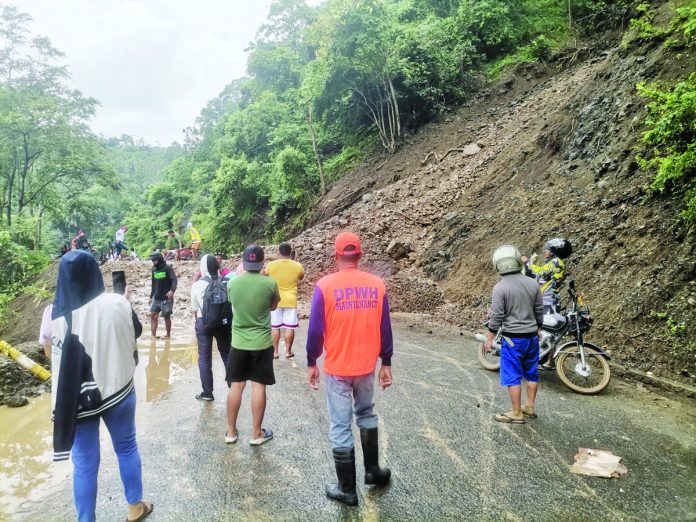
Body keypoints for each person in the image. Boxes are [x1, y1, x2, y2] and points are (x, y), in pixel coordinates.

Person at [50, 250, 152, 522]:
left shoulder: (53, 314)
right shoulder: (117, 302)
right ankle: (134, 507)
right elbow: (136, 332)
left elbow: (49, 351)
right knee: (127, 447)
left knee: (84, 463)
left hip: (76, 400)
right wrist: (123, 302)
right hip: (118, 389)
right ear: (95, 272)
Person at [306, 231, 393, 506]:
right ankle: (372, 472)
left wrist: (311, 361)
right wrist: (386, 362)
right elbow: (385, 328)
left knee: (341, 425)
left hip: (338, 369)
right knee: (367, 414)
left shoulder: (325, 286)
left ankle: (347, 489)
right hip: (366, 367)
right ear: (359, 256)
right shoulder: (377, 285)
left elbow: (316, 330)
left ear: (336, 255)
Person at [225, 245, 279, 445]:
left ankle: (231, 432)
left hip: (238, 342)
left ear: (244, 262)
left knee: (236, 385)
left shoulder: (233, 284)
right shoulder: (270, 284)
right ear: (262, 263)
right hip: (262, 343)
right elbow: (273, 306)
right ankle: (256, 433)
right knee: (259, 385)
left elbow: (233, 303)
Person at [484, 245, 544, 424]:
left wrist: (489, 338)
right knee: (532, 372)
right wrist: (538, 327)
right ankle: (529, 407)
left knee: (512, 375)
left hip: (513, 339)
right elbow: (539, 309)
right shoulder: (532, 283)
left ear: (498, 265)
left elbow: (496, 316)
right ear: (517, 260)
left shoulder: (500, 288)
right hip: (532, 337)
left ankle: (516, 412)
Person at [190, 255, 232, 401]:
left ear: (202, 268)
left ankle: (207, 393)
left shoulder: (197, 285)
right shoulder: (227, 281)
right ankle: (233, 387)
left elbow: (194, 309)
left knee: (204, 358)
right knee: (227, 353)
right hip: (225, 323)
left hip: (205, 324)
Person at [263, 242, 305, 359]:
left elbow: (263, 275)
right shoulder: (297, 265)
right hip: (291, 300)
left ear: (278, 252)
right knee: (289, 326)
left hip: (275, 299)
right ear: (290, 253)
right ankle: (288, 351)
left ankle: (275, 352)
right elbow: (301, 277)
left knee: (275, 327)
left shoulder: (271, 265)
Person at [523, 239, 567, 314]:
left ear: (552, 252)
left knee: (548, 321)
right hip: (545, 298)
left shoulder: (556, 262)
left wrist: (529, 263)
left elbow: (541, 272)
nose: (544, 251)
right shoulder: (552, 263)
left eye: (547, 250)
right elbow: (537, 277)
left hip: (549, 298)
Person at [149, 252, 177, 339]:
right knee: (153, 316)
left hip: (166, 297)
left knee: (166, 316)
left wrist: (172, 291)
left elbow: (174, 280)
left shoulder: (168, 268)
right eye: (152, 260)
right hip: (156, 297)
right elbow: (153, 284)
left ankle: (168, 335)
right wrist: (150, 296)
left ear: (160, 260)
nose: (153, 262)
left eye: (155, 260)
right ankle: (153, 336)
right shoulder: (153, 269)